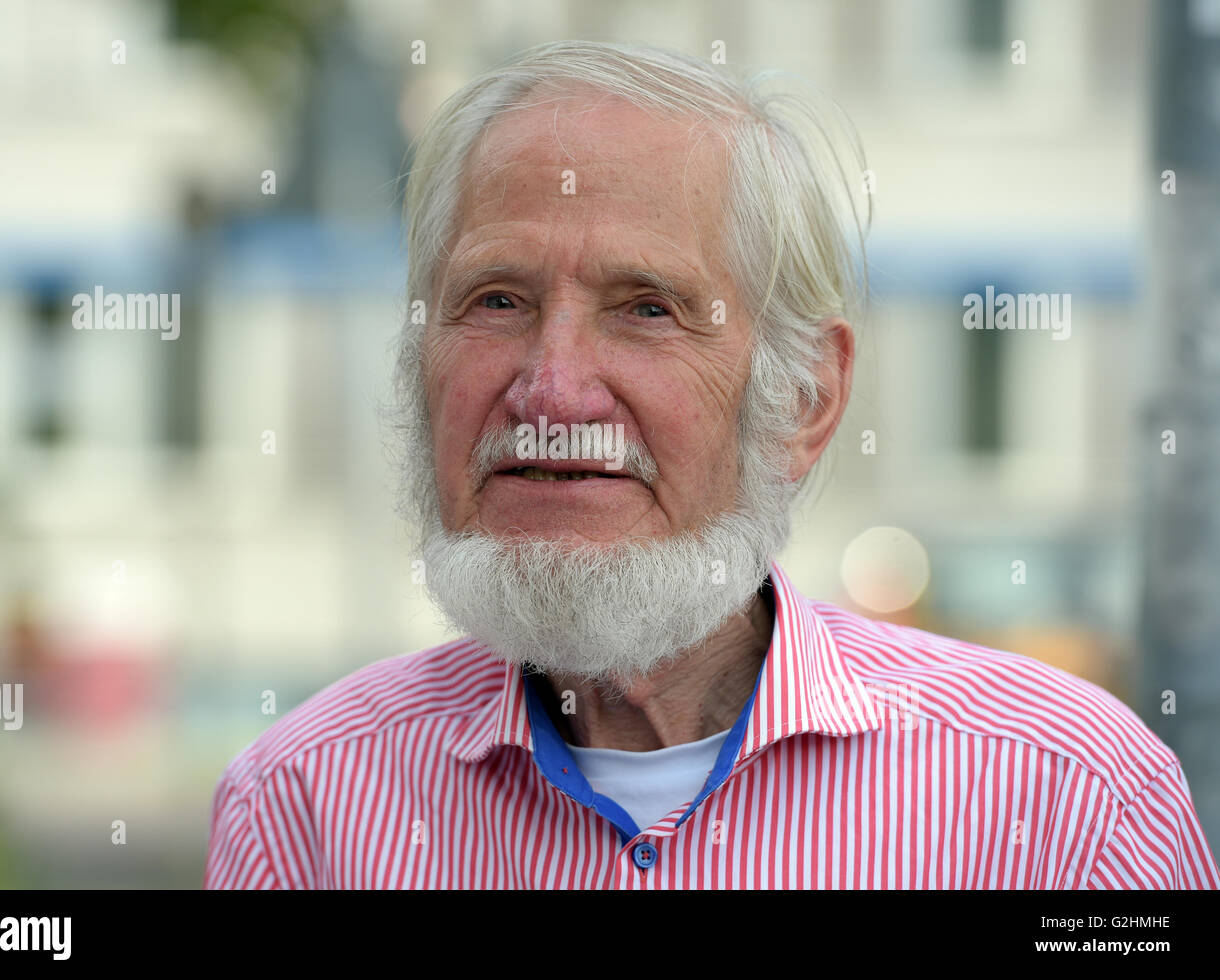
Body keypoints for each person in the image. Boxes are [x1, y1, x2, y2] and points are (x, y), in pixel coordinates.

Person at [204, 40, 1218, 889]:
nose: (552, 388)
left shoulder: (1067, 802)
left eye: (647, 307)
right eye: (496, 300)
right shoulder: (305, 809)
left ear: (804, 399)